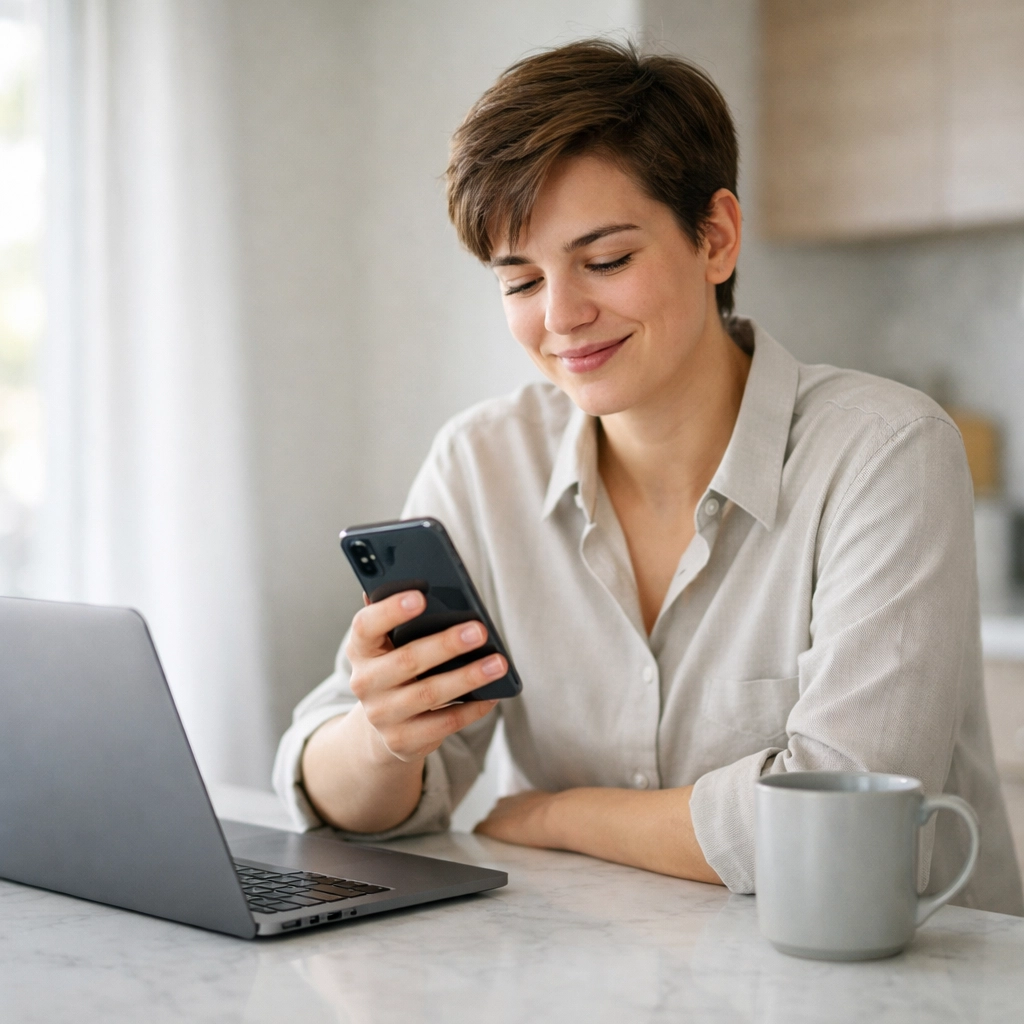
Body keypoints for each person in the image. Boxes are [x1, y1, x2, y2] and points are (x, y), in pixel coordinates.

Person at [273, 39, 1023, 914]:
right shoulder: (481, 465)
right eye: (520, 280)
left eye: (606, 261)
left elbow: (840, 823)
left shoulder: (885, 451)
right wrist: (383, 740)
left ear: (715, 237)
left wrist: (560, 815)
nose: (561, 318)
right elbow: (343, 798)